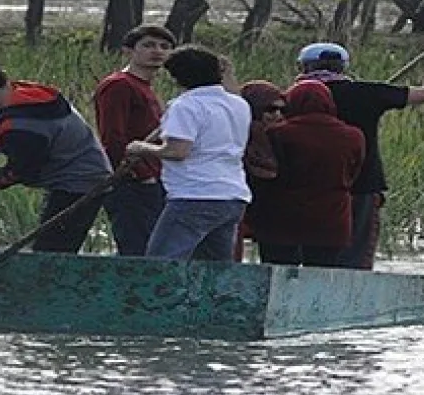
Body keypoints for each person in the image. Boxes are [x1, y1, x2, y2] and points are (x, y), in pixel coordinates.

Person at [295, 34, 424, 269]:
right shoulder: (367, 93)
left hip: (307, 191)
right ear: (343, 67)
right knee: (355, 259)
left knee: (311, 259)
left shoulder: (293, 98)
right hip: (362, 187)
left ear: (304, 67)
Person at [0, 55, 113, 253]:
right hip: (76, 177)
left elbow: (20, 171)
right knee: (47, 250)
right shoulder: (24, 95)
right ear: (3, 75)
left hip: (81, 183)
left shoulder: (22, 126)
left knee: (50, 252)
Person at [124, 45, 252, 261]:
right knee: (214, 270)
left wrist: (139, 148)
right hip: (233, 196)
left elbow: (177, 151)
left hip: (194, 195)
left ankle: (158, 296)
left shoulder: (186, 106)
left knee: (161, 265)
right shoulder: (239, 104)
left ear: (177, 77)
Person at [249, 80, 365, 267]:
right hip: (332, 219)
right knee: (321, 281)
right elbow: (353, 174)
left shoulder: (277, 133)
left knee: (279, 279)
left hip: (281, 219)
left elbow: (267, 172)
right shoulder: (354, 136)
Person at [93, 24, 177, 256]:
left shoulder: (146, 88)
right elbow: (112, 136)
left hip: (154, 180)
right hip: (132, 182)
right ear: (129, 51)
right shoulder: (119, 85)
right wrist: (138, 175)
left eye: (164, 47)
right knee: (136, 250)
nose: (157, 51)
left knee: (153, 249)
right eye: (148, 45)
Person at [233, 80, 285, 261]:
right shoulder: (240, 134)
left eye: (282, 110)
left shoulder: (281, 137)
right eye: (270, 110)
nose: (278, 116)